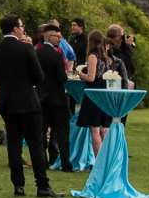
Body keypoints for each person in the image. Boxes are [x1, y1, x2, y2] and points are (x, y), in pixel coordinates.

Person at [0, 16, 55, 198]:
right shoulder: (26, 48)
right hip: (28, 102)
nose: (23, 29)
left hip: (7, 103)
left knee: (14, 145)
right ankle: (42, 185)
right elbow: (39, 76)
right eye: (22, 26)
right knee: (35, 144)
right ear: (15, 28)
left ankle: (18, 185)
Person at [35, 21, 71, 172]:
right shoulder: (56, 55)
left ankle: (42, 162)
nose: (59, 39)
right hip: (57, 98)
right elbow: (62, 77)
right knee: (62, 132)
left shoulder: (36, 53)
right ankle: (65, 163)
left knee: (42, 132)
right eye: (57, 37)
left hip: (42, 98)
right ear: (49, 37)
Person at [77, 32, 115, 161]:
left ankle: (99, 161)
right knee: (104, 128)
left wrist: (80, 74)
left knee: (95, 129)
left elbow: (91, 77)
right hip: (104, 92)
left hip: (94, 93)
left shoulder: (93, 56)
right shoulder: (106, 58)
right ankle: (108, 159)